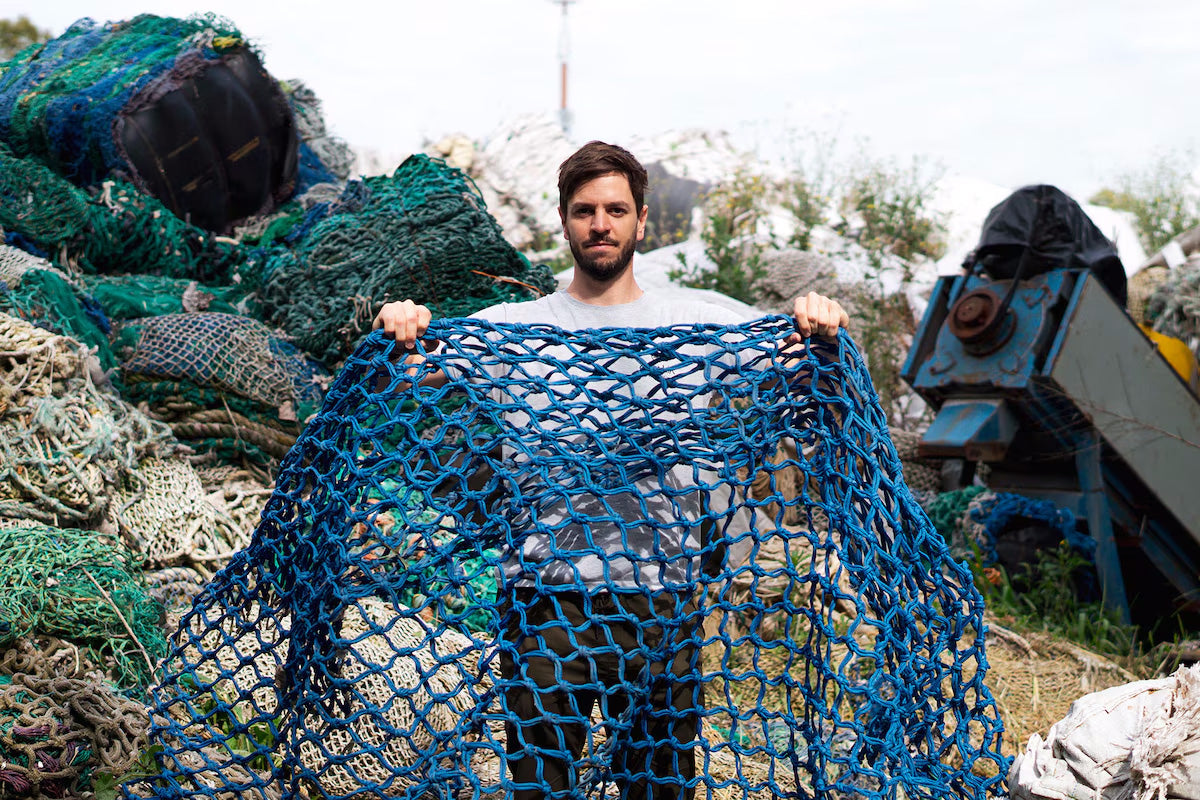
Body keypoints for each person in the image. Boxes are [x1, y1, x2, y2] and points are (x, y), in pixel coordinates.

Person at [372, 141, 848, 799]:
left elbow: (801, 354)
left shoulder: (699, 322)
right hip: (545, 603)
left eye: (616, 209)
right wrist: (401, 325)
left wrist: (818, 320)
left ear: (642, 221)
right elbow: (409, 373)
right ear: (564, 221)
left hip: (660, 599)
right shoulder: (513, 331)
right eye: (585, 210)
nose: (601, 224)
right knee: (540, 788)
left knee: (659, 788)